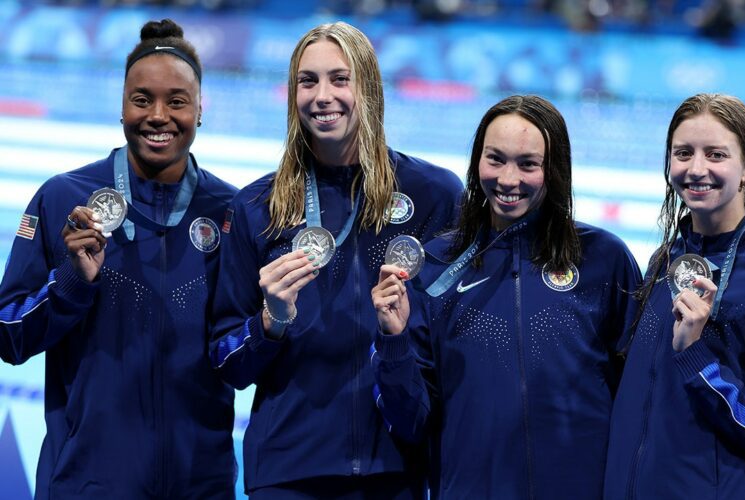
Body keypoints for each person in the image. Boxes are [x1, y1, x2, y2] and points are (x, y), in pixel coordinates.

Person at [209, 21, 462, 498]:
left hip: (395, 468)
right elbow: (228, 365)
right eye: (308, 81)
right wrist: (270, 323)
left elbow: (450, 348)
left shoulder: (434, 196)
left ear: (367, 86)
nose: (323, 96)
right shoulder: (257, 208)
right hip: (289, 473)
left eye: (339, 79)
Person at [0, 19, 237, 499]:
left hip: (200, 483)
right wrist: (70, 282)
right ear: (121, 107)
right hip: (89, 482)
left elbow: (240, 349)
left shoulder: (232, 213)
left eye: (176, 101)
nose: (158, 116)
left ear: (199, 110)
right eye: (142, 99)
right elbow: (9, 336)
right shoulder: (62, 198)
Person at [370, 95, 641, 498]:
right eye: (495, 159)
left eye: (528, 164)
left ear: (555, 170)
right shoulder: (435, 267)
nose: (508, 179)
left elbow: (636, 400)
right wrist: (394, 342)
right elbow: (410, 422)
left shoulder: (603, 259)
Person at [604, 93, 745, 499]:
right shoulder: (666, 261)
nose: (696, 168)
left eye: (716, 154)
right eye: (683, 153)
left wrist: (696, 357)